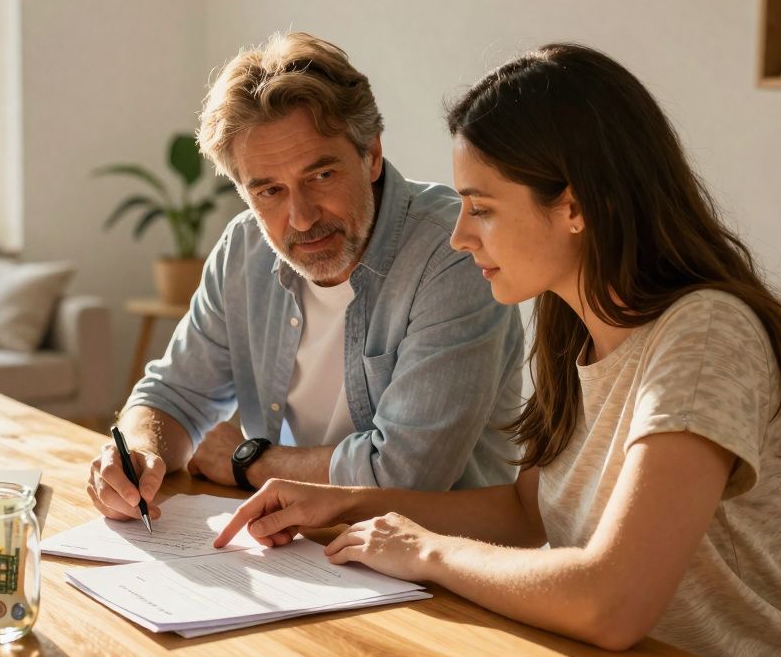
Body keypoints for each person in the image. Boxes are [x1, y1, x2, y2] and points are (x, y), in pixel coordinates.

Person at [214, 43, 781, 657]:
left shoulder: (704, 336)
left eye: (481, 206)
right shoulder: (573, 324)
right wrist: (347, 502)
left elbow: (613, 604)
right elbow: (525, 513)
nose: (460, 236)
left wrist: (425, 551)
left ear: (573, 207)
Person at [87, 32, 524, 522]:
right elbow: (174, 395)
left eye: (321, 176)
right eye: (269, 191)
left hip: (435, 569)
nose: (300, 217)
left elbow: (405, 472)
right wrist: (139, 453)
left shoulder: (453, 250)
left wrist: (249, 460)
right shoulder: (244, 247)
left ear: (372, 154)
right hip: (294, 549)